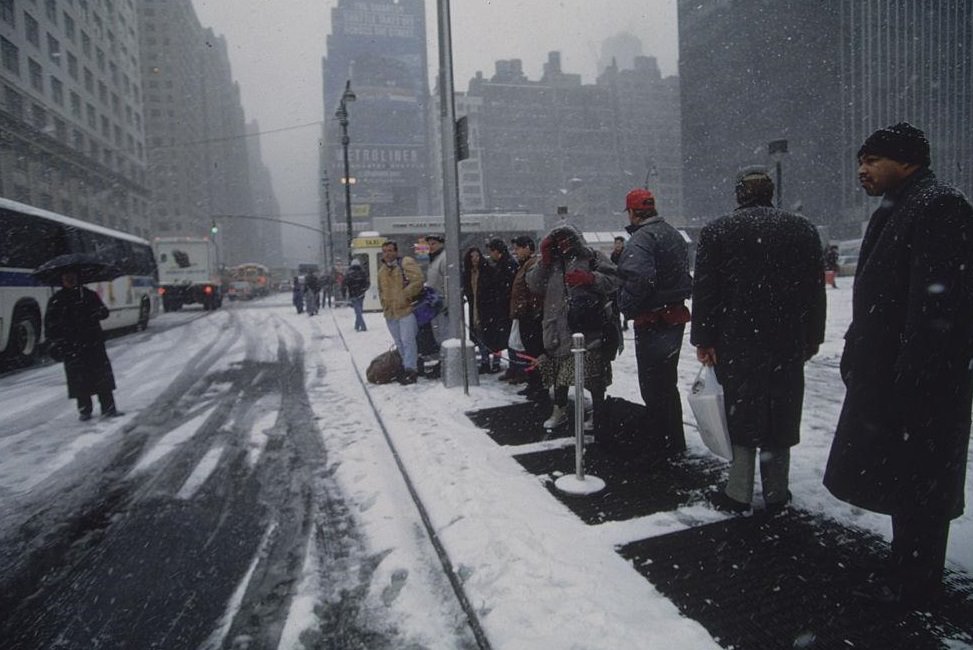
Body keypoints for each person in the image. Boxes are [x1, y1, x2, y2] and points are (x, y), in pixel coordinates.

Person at [823, 123, 973, 608]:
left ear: (907, 161)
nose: (862, 171)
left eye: (871, 160)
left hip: (922, 383)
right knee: (904, 477)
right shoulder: (902, 205)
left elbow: (938, 308)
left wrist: (915, 377)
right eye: (859, 162)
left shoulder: (939, 206)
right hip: (894, 376)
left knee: (922, 481)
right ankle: (906, 565)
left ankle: (917, 579)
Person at [691, 167, 826, 515]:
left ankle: (738, 491)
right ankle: (777, 491)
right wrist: (812, 337)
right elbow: (815, 291)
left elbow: (705, 290)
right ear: (771, 193)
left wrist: (704, 339)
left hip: (736, 338)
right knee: (782, 410)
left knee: (741, 410)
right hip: (787, 339)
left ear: (739, 195)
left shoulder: (718, 231)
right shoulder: (802, 229)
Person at [616, 188, 693, 454]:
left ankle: (660, 440)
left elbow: (640, 279)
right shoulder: (673, 234)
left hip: (652, 319)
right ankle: (674, 439)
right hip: (675, 316)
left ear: (633, 212)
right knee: (667, 383)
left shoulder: (641, 239)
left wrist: (624, 304)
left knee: (652, 384)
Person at [527, 225, 621, 435]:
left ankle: (598, 412)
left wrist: (591, 279)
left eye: (567, 240)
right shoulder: (550, 264)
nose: (563, 246)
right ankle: (559, 410)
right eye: (558, 241)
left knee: (594, 376)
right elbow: (533, 284)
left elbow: (615, 280)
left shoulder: (593, 257)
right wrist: (544, 259)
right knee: (559, 376)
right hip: (557, 330)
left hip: (588, 330)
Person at [44, 270, 123, 421]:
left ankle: (107, 408)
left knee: (98, 377)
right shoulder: (57, 299)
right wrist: (56, 341)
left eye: (72, 277)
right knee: (80, 379)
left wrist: (95, 312)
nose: (70, 280)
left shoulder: (88, 295)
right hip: (73, 345)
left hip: (91, 343)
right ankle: (85, 410)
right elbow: (50, 324)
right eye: (67, 278)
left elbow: (104, 312)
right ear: (62, 280)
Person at [377, 240, 424, 385]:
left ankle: (411, 370)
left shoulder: (405, 263)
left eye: (390, 250)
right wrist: (384, 304)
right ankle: (406, 367)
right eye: (385, 251)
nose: (387, 254)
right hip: (390, 313)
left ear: (396, 251)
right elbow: (380, 290)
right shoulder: (382, 271)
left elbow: (418, 280)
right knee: (399, 342)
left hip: (405, 310)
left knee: (408, 340)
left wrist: (405, 295)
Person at [508, 236, 545, 397]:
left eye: (518, 248)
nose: (515, 252)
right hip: (524, 315)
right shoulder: (524, 265)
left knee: (534, 351)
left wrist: (527, 308)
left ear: (528, 248)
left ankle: (539, 385)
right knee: (528, 351)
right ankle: (533, 383)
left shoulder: (532, 264)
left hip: (531, 316)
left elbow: (533, 290)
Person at [482, 238, 518, 377]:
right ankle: (514, 368)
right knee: (510, 340)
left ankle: (515, 368)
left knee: (512, 340)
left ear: (497, 251)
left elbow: (505, 288)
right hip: (505, 308)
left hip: (506, 308)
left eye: (491, 251)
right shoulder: (505, 265)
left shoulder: (506, 266)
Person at [463, 247, 492, 372]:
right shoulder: (468, 273)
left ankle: (494, 360)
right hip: (474, 305)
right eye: (472, 257)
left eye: (477, 256)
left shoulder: (487, 271)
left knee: (490, 334)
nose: (475, 259)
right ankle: (485, 361)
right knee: (479, 333)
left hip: (486, 306)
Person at [344, 258, 369, 332]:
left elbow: (344, 284)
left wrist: (344, 293)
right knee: (359, 310)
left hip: (353, 294)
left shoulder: (349, 273)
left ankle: (362, 326)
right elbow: (367, 283)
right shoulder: (362, 273)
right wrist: (363, 290)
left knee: (357, 311)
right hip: (361, 294)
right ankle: (357, 325)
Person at [610, 235, 628, 331]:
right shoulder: (613, 255)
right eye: (616, 243)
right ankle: (619, 322)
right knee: (617, 303)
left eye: (619, 243)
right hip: (617, 281)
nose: (617, 245)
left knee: (624, 302)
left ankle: (625, 321)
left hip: (625, 281)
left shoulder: (626, 254)